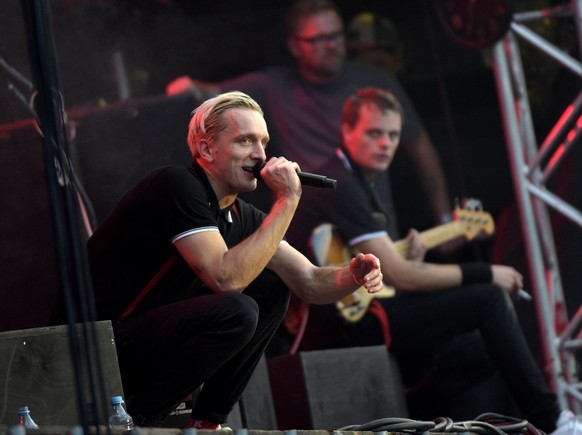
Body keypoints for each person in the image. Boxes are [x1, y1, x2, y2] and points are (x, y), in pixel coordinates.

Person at [285, 87, 577, 435]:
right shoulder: (342, 184)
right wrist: (486, 271)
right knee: (489, 299)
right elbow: (401, 275)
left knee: (482, 348)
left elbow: (385, 267)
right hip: (338, 325)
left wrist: (410, 253)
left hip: (363, 311)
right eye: (374, 133)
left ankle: (421, 415)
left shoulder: (361, 181)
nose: (385, 144)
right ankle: (553, 420)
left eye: (393, 135)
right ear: (346, 131)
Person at [87, 91, 383, 428]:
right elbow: (224, 279)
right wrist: (286, 201)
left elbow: (310, 282)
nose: (260, 156)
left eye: (263, 142)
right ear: (206, 149)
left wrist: (353, 276)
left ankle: (206, 422)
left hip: (149, 342)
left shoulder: (244, 216)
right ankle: (138, 420)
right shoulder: (177, 186)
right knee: (237, 310)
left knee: (272, 287)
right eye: (245, 141)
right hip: (100, 345)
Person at [166, 0, 452, 239]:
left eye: (337, 36)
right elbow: (213, 93)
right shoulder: (273, 84)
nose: (331, 45)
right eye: (318, 39)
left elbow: (420, 147)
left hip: (374, 226)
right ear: (294, 46)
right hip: (313, 236)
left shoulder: (375, 81)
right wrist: (187, 89)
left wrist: (443, 215)